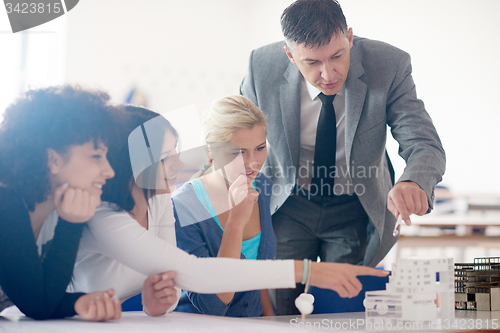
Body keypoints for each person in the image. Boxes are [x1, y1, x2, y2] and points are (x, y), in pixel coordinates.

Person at [69, 104, 388, 317]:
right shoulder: (112, 217)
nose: (179, 164)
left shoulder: (161, 202)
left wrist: (157, 304)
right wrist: (308, 270)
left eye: (260, 148)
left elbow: (171, 282)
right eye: (167, 156)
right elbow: (198, 278)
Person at [240, 0, 446, 314]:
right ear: (290, 55)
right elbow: (233, 137)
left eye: (337, 56)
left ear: (349, 37)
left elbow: (424, 143)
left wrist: (413, 181)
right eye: (312, 62)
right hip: (289, 202)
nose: (328, 73)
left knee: (343, 307)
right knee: (279, 306)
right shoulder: (261, 66)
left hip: (354, 205)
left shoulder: (388, 64)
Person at [0, 86, 122, 321]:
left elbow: (33, 293)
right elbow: (38, 306)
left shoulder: (24, 205)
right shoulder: (6, 205)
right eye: (96, 156)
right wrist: (71, 224)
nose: (109, 171)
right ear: (52, 160)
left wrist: (77, 302)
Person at [172, 96, 274, 317]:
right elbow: (213, 306)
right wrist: (236, 223)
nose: (252, 163)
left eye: (259, 148)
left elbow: (259, 274)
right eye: (237, 152)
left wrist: (271, 321)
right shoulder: (183, 207)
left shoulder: (262, 186)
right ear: (211, 150)